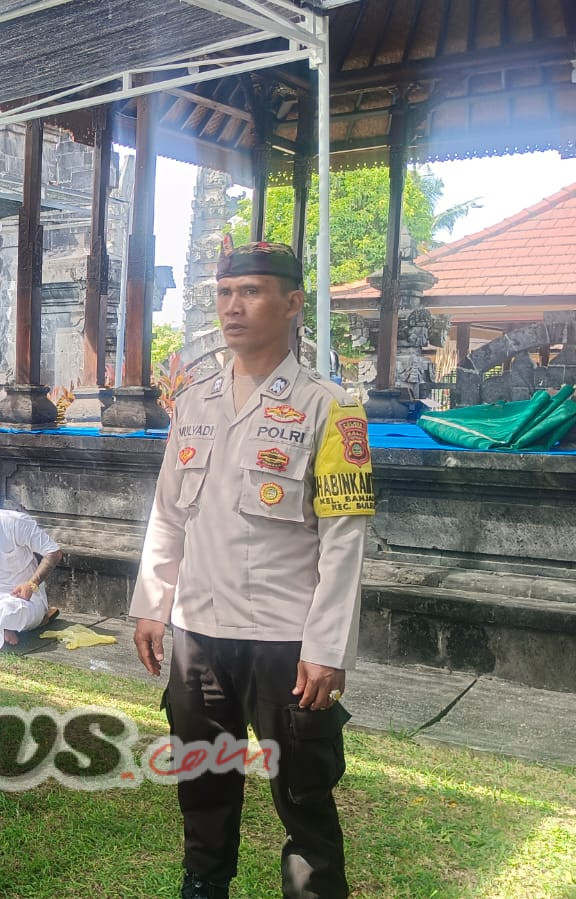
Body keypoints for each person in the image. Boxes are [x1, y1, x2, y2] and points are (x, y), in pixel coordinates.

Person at [129, 241, 374, 899]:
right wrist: (153, 601)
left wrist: (326, 648)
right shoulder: (194, 399)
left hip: (284, 637)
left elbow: (342, 540)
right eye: (225, 292)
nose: (234, 306)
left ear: (291, 302)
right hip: (199, 632)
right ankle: (203, 883)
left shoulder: (330, 407)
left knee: (302, 787)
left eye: (253, 291)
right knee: (203, 774)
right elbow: (167, 510)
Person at [0, 508, 63, 648]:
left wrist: (31, 585)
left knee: (8, 611)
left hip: (22, 599)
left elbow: (54, 552)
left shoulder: (15, 522)